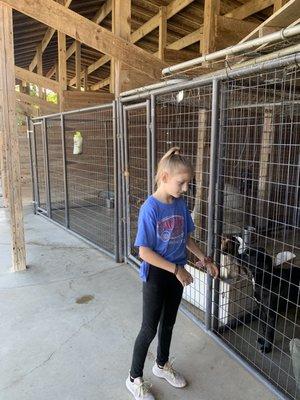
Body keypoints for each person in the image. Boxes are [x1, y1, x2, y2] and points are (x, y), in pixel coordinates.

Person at [126, 147, 219, 400]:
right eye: (182, 182)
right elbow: (144, 252)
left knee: (168, 323)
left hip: (178, 273)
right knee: (149, 329)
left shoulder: (180, 203)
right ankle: (134, 378)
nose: (186, 188)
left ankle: (161, 365)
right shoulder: (150, 208)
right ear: (165, 177)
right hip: (158, 274)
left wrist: (204, 259)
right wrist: (176, 269)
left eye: (188, 182)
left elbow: (186, 238)